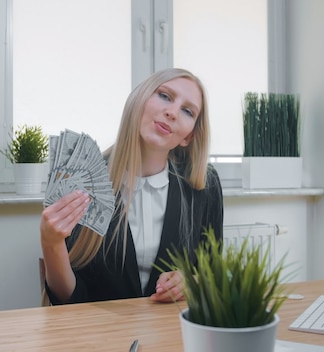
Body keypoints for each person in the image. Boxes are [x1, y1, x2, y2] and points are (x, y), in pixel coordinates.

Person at [40, 68, 224, 305]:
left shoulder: (205, 185)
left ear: (188, 136)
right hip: (100, 333)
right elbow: (68, 298)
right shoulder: (79, 178)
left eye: (187, 111)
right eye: (165, 96)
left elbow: (212, 272)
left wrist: (192, 281)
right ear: (139, 102)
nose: (172, 112)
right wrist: (50, 242)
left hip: (173, 333)